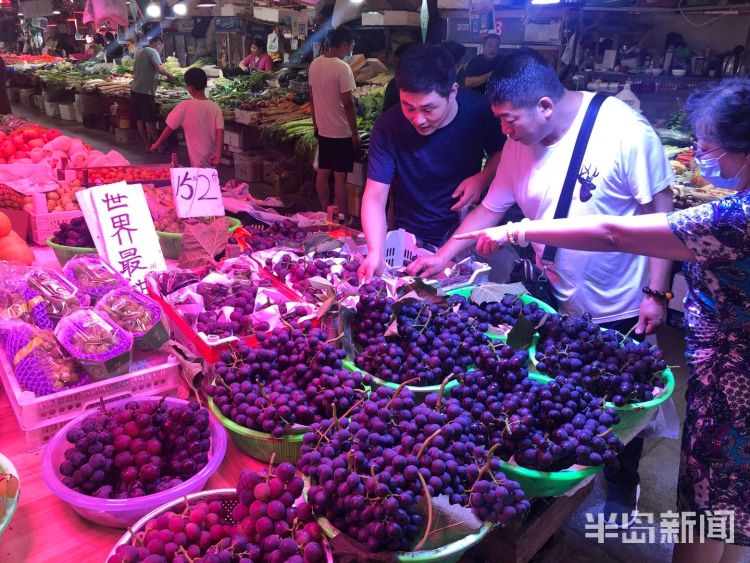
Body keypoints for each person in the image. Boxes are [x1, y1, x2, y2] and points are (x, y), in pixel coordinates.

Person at [453, 76, 750, 563]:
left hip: (731, 383)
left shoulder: (734, 218)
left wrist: (518, 229)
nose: (701, 156)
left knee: (704, 501)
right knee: (732, 500)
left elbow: (615, 233)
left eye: (709, 147)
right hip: (731, 373)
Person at [408, 50, 675, 525]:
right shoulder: (516, 145)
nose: (504, 133)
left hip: (616, 304)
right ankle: (550, 485)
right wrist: (445, 255)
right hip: (551, 301)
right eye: (500, 122)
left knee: (615, 408)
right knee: (559, 405)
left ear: (545, 106)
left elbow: (660, 215)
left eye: (510, 121)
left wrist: (657, 292)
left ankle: (620, 488)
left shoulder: (625, 133)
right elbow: (491, 209)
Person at [357, 44, 505, 280]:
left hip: (462, 230)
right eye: (409, 107)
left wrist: (482, 178)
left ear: (453, 91)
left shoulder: (480, 112)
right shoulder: (388, 125)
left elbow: (502, 153)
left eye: (429, 108)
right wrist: (376, 250)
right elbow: (375, 196)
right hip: (410, 232)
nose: (419, 119)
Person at [308, 27, 359, 217]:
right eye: (351, 47)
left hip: (323, 130)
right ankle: (341, 217)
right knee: (340, 178)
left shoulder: (315, 64)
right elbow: (348, 104)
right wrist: (354, 134)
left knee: (323, 172)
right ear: (344, 44)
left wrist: (316, 124)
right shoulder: (342, 68)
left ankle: (324, 212)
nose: (350, 51)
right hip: (341, 131)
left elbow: (312, 98)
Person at [150, 68, 223, 167]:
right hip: (211, 155)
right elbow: (220, 131)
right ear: (205, 85)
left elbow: (170, 127)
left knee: (200, 178)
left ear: (190, 88)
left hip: (197, 157)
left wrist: (157, 143)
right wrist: (218, 154)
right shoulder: (215, 107)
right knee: (209, 177)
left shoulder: (185, 106)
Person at [131, 35, 176, 151]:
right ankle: (159, 146)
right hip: (146, 92)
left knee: (140, 120)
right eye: (161, 47)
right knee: (150, 120)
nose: (161, 50)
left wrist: (158, 80)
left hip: (135, 90)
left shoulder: (139, 52)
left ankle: (147, 145)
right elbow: (160, 69)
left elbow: (141, 71)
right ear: (157, 44)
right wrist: (170, 75)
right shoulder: (153, 51)